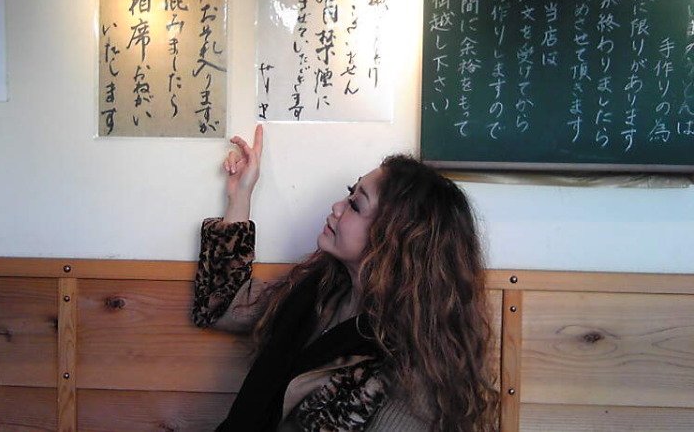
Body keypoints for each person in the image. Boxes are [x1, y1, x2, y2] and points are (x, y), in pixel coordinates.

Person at [192, 125, 498, 431]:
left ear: (395, 239)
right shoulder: (320, 291)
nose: (337, 206)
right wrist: (240, 194)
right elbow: (222, 305)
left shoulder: (410, 372)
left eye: (355, 204)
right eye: (350, 192)